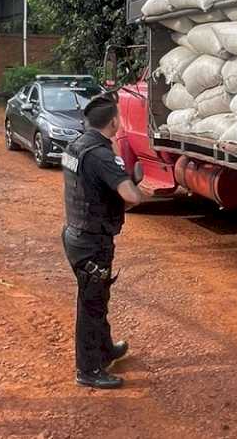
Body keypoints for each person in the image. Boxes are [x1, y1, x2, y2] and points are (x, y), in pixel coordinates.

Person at [61, 94, 143, 389]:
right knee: (91, 305)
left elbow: (92, 188)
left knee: (98, 297)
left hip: (76, 234)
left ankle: (105, 350)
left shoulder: (77, 146)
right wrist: (132, 183)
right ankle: (88, 369)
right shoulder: (101, 155)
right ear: (113, 122)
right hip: (92, 242)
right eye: (119, 116)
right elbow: (132, 196)